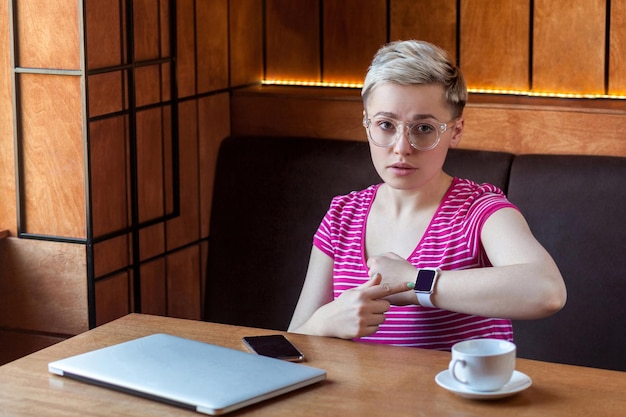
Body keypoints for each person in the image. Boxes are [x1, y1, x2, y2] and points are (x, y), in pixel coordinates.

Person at [288, 40, 567, 350]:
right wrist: (324, 322)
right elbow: (293, 341)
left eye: (423, 128)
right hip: (356, 398)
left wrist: (417, 283)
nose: (401, 147)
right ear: (366, 125)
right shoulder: (343, 215)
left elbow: (547, 291)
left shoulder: (479, 211)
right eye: (385, 124)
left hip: (454, 397)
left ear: (456, 131)